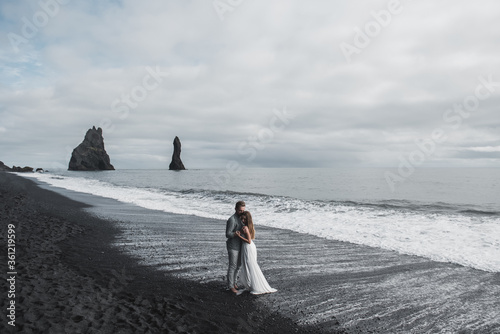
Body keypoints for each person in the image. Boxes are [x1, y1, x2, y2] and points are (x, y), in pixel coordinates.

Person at [235, 211, 277, 295]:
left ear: (247, 219)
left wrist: (239, 236)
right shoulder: (248, 227)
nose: (242, 220)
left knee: (250, 265)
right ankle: (251, 284)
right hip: (249, 247)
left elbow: (249, 241)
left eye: (244, 219)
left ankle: (254, 285)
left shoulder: (246, 228)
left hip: (248, 247)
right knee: (250, 265)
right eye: (242, 219)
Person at [226, 200, 246, 294]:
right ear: (235, 209)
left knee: (238, 266)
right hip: (232, 246)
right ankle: (230, 286)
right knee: (232, 266)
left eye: (243, 210)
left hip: (241, 245)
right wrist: (236, 234)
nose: (242, 212)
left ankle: (234, 283)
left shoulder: (242, 218)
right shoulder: (232, 219)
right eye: (240, 210)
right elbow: (227, 234)